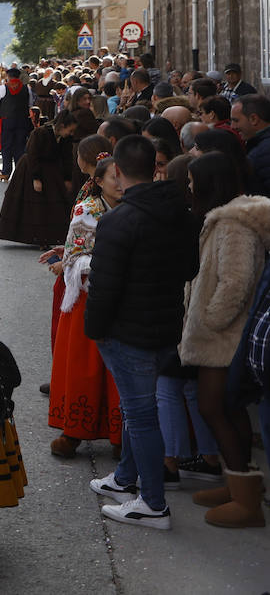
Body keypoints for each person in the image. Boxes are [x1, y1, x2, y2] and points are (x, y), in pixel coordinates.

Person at [85, 135, 200, 529]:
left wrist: (95, 331)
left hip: (128, 331)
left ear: (116, 170)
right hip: (163, 324)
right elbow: (188, 268)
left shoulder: (119, 219)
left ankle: (153, 503)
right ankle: (124, 479)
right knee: (138, 410)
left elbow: (104, 287)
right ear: (154, 167)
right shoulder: (179, 211)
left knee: (140, 413)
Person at [180, 150, 270, 526]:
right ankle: (239, 484)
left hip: (225, 337)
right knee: (224, 409)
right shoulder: (225, 218)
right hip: (222, 334)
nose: (188, 186)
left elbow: (237, 280)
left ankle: (246, 501)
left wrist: (209, 319)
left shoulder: (232, 223)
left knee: (214, 407)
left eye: (192, 180)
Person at [48, 147, 124, 458]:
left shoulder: (133, 207)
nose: (120, 183)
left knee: (119, 369)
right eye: (113, 178)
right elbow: (75, 258)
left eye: (123, 177)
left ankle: (121, 434)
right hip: (88, 296)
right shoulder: (87, 210)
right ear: (99, 181)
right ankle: (75, 430)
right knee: (84, 367)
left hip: (125, 299)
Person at [0, 109, 79, 247]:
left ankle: (51, 237)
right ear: (62, 126)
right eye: (69, 130)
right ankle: (38, 238)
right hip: (31, 169)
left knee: (53, 204)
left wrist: (67, 178)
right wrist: (36, 178)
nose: (71, 134)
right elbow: (32, 155)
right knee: (36, 206)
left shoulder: (65, 138)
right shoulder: (41, 133)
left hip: (51, 171)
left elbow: (66, 157)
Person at [0, 68, 34, 179]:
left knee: (6, 147)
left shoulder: (3, 88)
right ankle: (20, 172)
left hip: (7, 121)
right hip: (22, 121)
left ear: (8, 77)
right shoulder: (26, 88)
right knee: (20, 147)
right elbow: (30, 103)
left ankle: (6, 172)